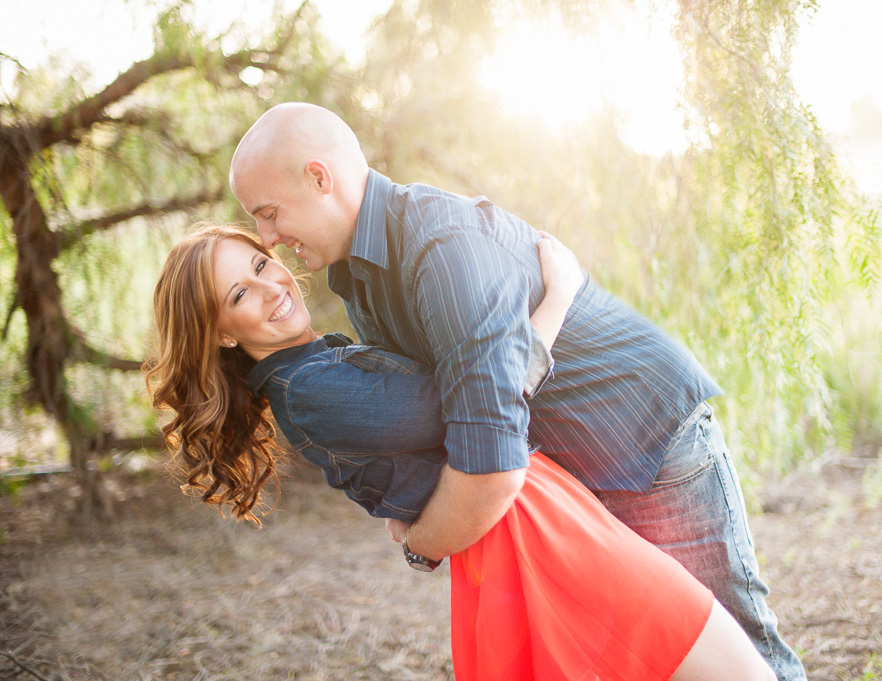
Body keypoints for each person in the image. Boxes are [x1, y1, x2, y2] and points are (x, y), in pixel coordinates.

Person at [228, 102, 806, 680]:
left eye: (269, 214)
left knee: (739, 659)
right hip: (561, 474)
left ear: (319, 178)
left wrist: (423, 541)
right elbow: (452, 409)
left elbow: (487, 455)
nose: (268, 238)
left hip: (643, 445)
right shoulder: (355, 276)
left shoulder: (441, 245)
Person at [145, 222, 775, 681]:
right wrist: (558, 297)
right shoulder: (306, 389)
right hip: (527, 531)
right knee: (736, 670)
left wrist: (410, 517)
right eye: (238, 295)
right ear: (221, 334)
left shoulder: (314, 364)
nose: (270, 287)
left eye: (259, 265)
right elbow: (477, 401)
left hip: (527, 515)